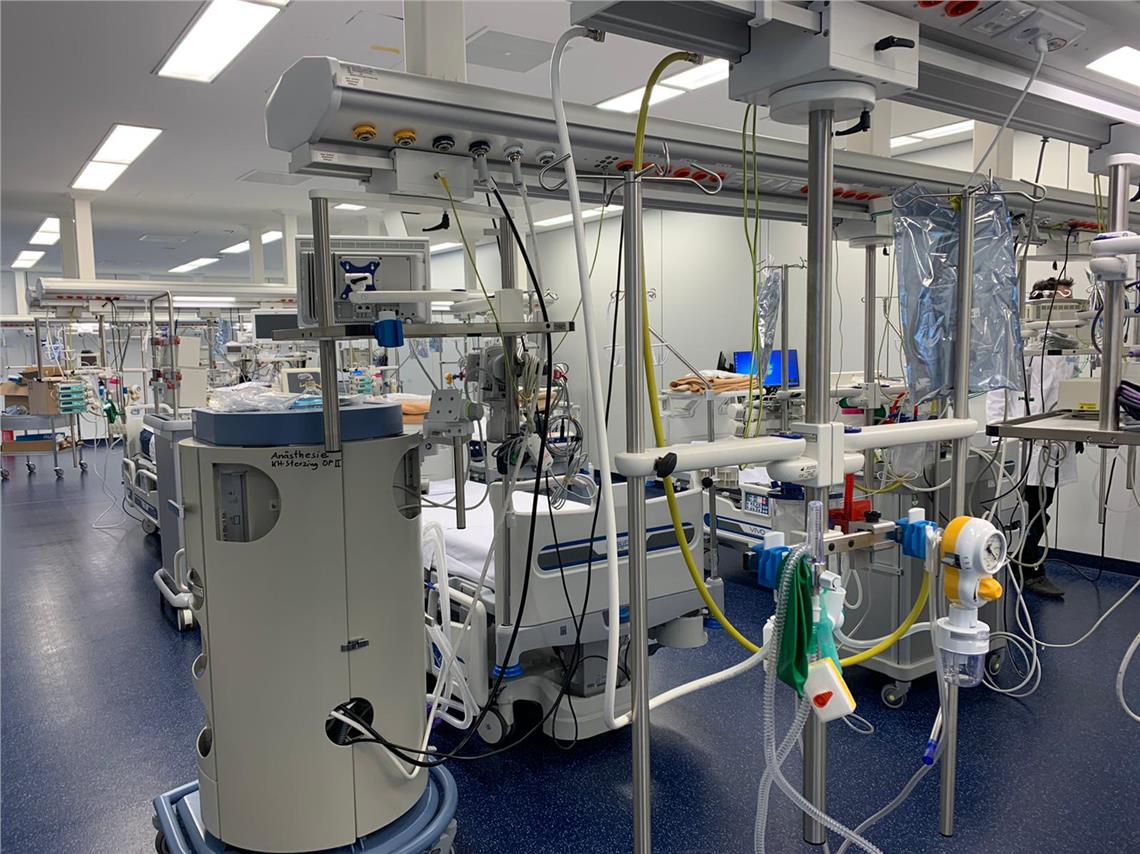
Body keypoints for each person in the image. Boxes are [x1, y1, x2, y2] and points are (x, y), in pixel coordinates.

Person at [986, 350, 1080, 599]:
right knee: (1025, 511)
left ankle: (1023, 565)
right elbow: (997, 396)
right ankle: (1029, 571)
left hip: (1055, 442)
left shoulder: (1068, 348)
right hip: (1021, 443)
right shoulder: (1018, 348)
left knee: (1042, 508)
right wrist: (998, 439)